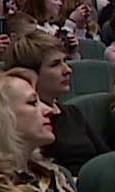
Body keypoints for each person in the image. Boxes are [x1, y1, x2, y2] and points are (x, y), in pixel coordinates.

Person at [8, 30, 105, 173]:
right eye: (55, 64)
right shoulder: (25, 122)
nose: (68, 70)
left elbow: (104, 158)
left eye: (65, 61)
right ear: (29, 73)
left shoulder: (73, 113)